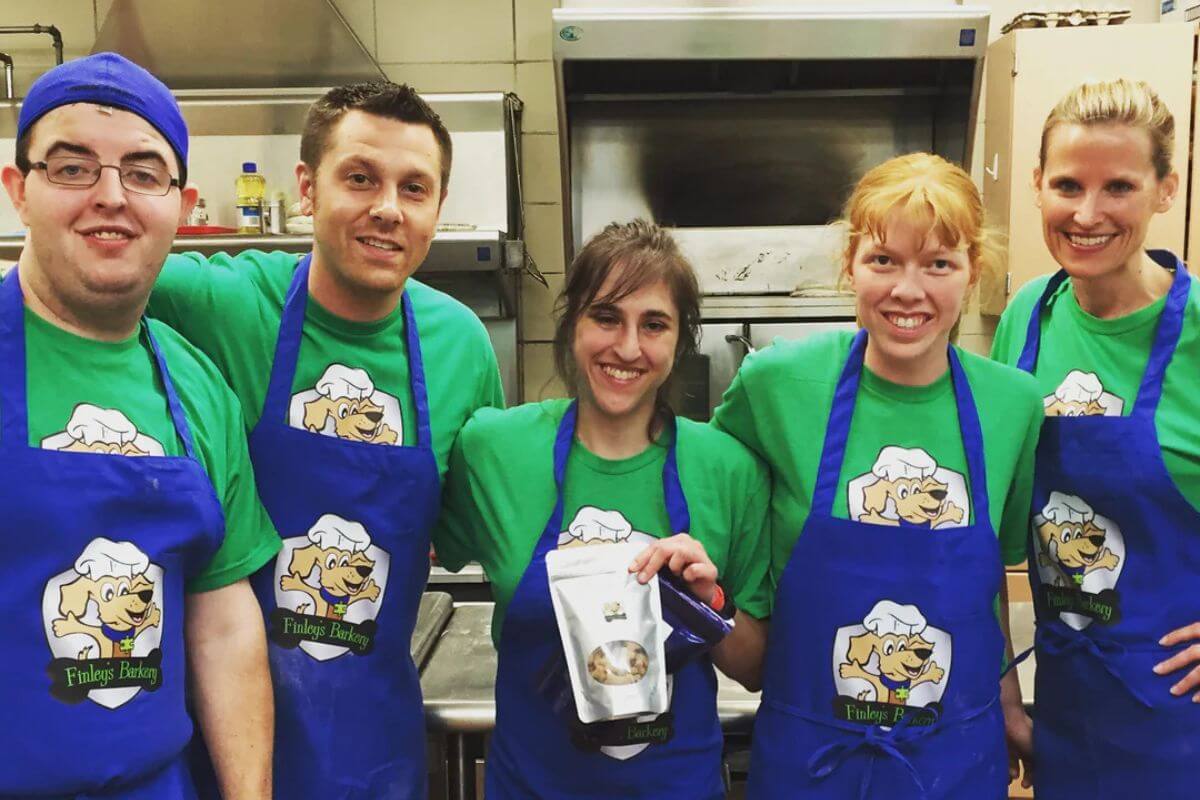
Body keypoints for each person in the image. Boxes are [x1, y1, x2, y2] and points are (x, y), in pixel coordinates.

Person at [144, 81, 503, 798]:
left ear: (437, 208)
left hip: (373, 746)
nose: (387, 210)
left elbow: (462, 533)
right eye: (360, 178)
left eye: (415, 188)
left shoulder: (460, 344)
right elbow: (73, 284)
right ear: (307, 188)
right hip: (220, 737)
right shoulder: (224, 304)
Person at [711, 153, 1042, 799]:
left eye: (938, 264)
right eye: (884, 260)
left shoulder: (1014, 406)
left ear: (974, 270)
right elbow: (711, 500)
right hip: (809, 759)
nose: (907, 290)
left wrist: (1008, 705)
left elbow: (989, 585)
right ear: (851, 264)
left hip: (955, 762)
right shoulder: (777, 385)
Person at [0, 53, 278, 799]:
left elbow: (222, 626)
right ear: (18, 190)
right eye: (73, 167)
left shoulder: (198, 390)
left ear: (180, 206)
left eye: (143, 172)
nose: (111, 198)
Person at [435, 219, 772, 799]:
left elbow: (755, 668)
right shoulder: (492, 449)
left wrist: (709, 602)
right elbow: (428, 542)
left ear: (679, 340)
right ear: (572, 325)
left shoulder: (728, 468)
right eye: (607, 316)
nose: (628, 347)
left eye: (655, 324)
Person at [990, 78, 1200, 799]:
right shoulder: (1028, 317)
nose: (1087, 213)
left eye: (1119, 186)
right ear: (1037, 186)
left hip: (1182, 715)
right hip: (1072, 698)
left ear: (1165, 190)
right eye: (1068, 184)